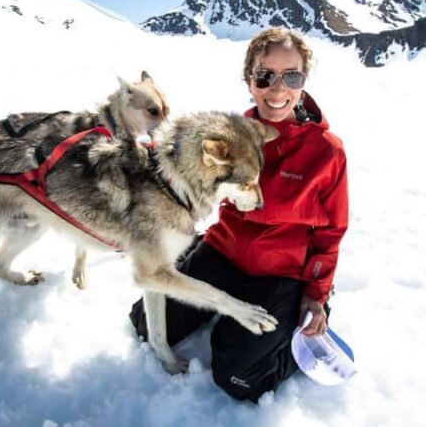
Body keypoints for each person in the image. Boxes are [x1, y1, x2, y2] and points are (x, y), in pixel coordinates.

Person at [129, 27, 349, 402]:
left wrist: (315, 295)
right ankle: (198, 262)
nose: (277, 90)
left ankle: (285, 329)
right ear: (249, 80)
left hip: (281, 272)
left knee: (239, 378)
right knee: (147, 325)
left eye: (291, 77)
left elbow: (331, 232)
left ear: (303, 81)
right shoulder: (229, 135)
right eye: (265, 76)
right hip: (224, 251)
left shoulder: (327, 152)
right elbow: (183, 179)